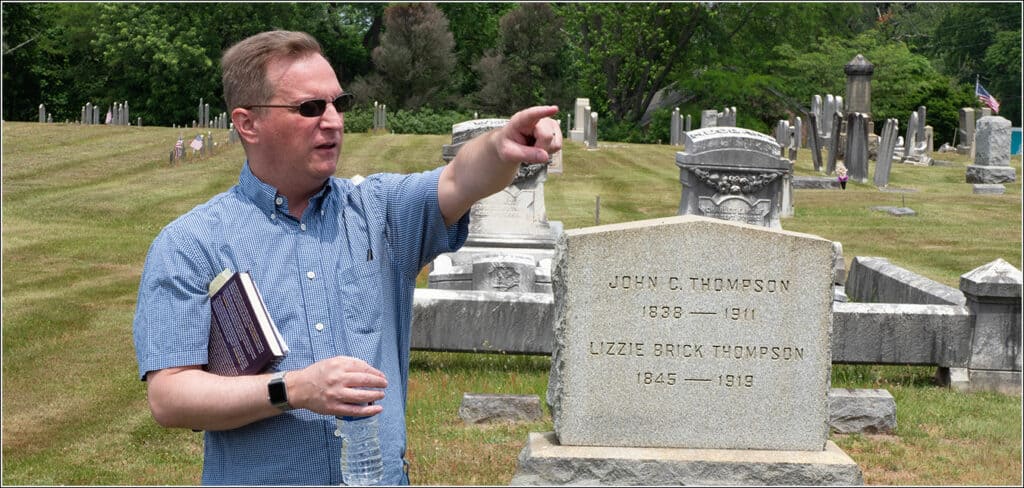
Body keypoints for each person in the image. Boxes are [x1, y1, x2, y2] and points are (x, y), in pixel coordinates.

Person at [132, 30, 562, 485]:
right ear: (247, 123)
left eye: (340, 104)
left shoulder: (380, 212)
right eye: (310, 108)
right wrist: (293, 388)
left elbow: (459, 178)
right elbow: (170, 396)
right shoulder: (191, 243)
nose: (334, 121)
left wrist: (501, 146)